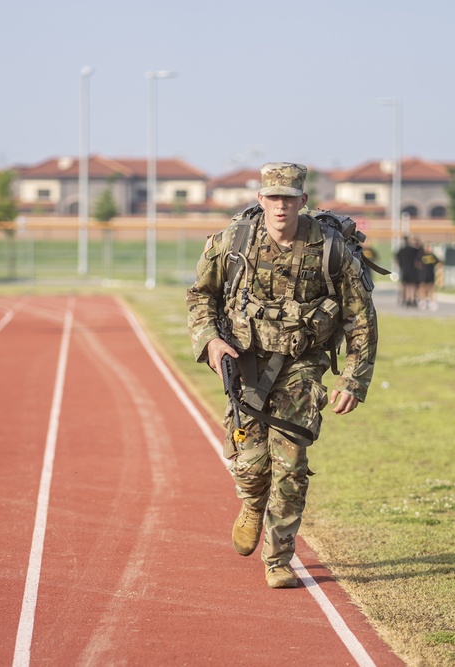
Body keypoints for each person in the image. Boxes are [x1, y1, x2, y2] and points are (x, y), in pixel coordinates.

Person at [186, 162, 378, 589]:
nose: (280, 206)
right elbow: (201, 296)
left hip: (302, 364)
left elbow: (361, 318)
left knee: (290, 462)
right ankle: (252, 503)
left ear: (302, 202)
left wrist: (353, 380)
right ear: (260, 199)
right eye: (273, 198)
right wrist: (211, 341)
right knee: (249, 463)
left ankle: (278, 558)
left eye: (288, 198)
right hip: (247, 360)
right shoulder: (232, 242)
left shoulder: (330, 248)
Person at [395, 236, 420, 307]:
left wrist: (400, 265)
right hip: (413, 269)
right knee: (413, 285)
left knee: (405, 285)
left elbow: (397, 259)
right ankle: (413, 298)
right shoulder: (413, 249)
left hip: (404, 269)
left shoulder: (401, 250)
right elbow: (419, 253)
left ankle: (405, 299)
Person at [417, 241, 440, 310]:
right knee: (422, 287)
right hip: (423, 274)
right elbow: (417, 263)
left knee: (431, 288)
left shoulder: (432, 256)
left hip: (430, 274)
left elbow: (438, 263)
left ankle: (431, 301)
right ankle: (422, 301)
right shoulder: (421, 255)